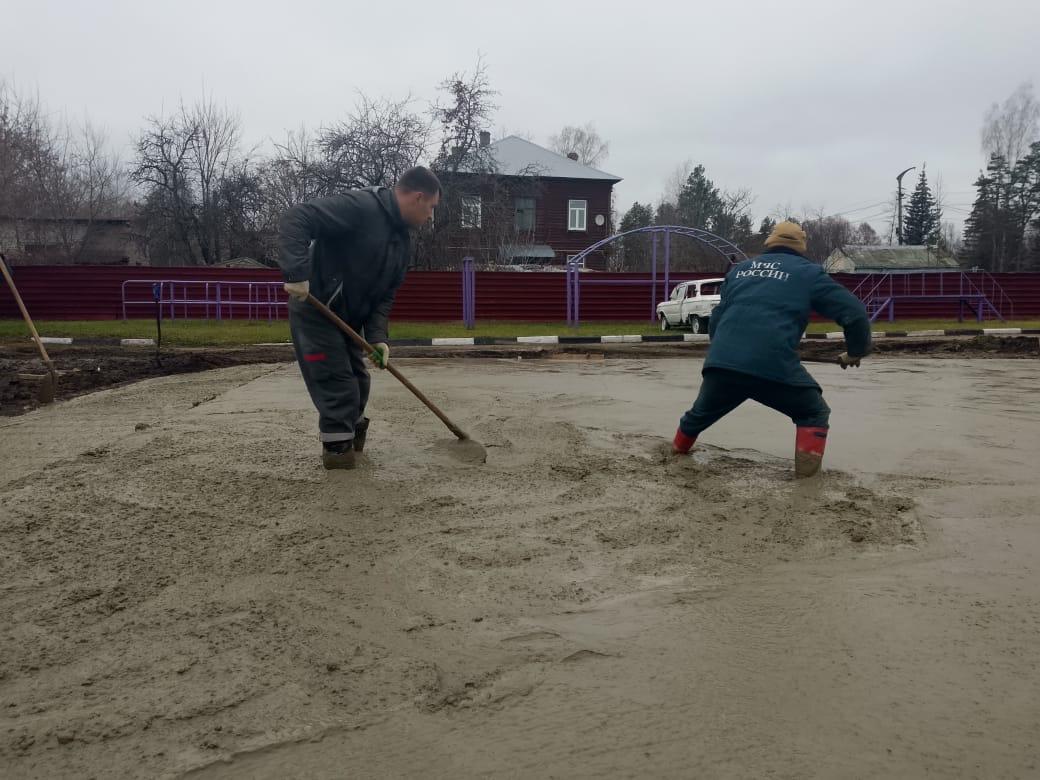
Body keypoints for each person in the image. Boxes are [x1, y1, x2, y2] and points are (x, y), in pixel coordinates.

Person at [670, 220, 871, 477]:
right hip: (772, 364)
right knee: (813, 411)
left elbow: (718, 319)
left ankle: (675, 454)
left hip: (721, 364)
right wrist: (856, 350)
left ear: (769, 243)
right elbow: (854, 312)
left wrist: (727, 351)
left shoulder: (739, 271)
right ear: (801, 246)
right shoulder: (808, 273)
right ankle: (807, 486)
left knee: (696, 417)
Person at [277, 166, 441, 469]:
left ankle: (352, 444)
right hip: (316, 311)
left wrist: (377, 338)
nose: (431, 216)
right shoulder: (361, 208)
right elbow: (296, 218)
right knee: (337, 384)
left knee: (359, 382)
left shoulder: (402, 243)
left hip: (348, 321)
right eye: (431, 207)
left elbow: (385, 295)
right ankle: (340, 463)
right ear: (418, 197)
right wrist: (297, 273)